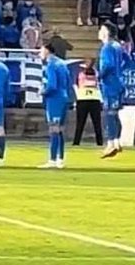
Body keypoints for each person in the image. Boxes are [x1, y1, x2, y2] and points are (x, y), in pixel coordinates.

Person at [38, 41, 73, 169]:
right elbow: (69, 82)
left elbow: (52, 85)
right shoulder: (63, 63)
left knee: (53, 129)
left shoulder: (51, 65)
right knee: (60, 130)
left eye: (41, 51)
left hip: (54, 100)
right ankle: (60, 159)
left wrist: (43, 91)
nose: (40, 54)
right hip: (63, 98)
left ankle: (52, 159)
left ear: (47, 51)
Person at [98, 22, 125, 158]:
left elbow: (107, 65)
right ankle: (117, 142)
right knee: (114, 114)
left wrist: (99, 75)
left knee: (109, 114)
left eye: (101, 29)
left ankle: (111, 143)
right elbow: (127, 60)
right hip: (119, 83)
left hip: (110, 84)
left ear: (106, 32)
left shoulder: (107, 47)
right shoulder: (118, 46)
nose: (99, 31)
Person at [72, 60, 103, 147]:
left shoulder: (81, 75)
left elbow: (76, 85)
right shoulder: (96, 74)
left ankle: (76, 142)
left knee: (80, 123)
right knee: (97, 123)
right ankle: (99, 142)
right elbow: (98, 85)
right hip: (95, 98)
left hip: (83, 98)